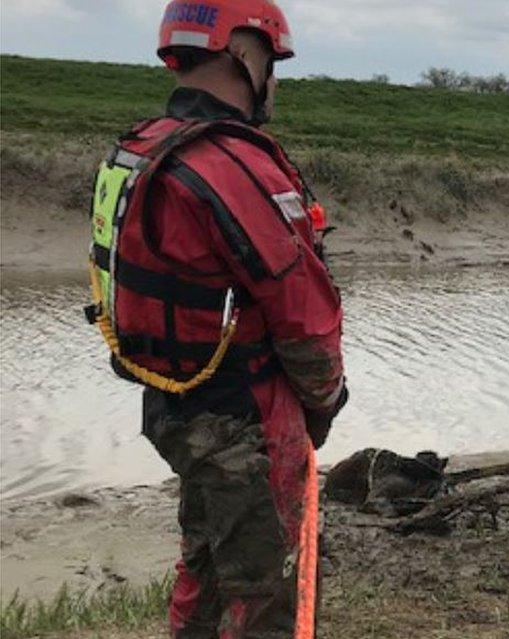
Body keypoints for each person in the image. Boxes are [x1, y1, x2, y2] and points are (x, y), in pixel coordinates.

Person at [86, 1, 347, 636]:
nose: (275, 80)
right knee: (263, 590)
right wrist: (326, 402)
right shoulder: (232, 166)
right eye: (273, 62)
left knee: (203, 566)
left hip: (176, 409)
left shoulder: (138, 151)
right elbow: (305, 316)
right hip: (247, 421)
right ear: (243, 52)